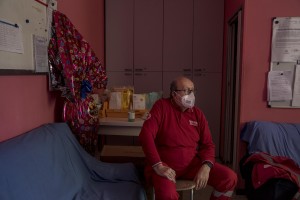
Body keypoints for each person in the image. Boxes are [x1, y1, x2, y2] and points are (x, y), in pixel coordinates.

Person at [139, 76, 237, 200]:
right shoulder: (161, 106)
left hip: (191, 166)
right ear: (174, 94)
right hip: (165, 167)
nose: (191, 95)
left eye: (193, 91)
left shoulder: (197, 114)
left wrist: (206, 166)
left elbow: (208, 145)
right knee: (167, 194)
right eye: (186, 90)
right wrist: (158, 166)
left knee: (229, 178)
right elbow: (146, 135)